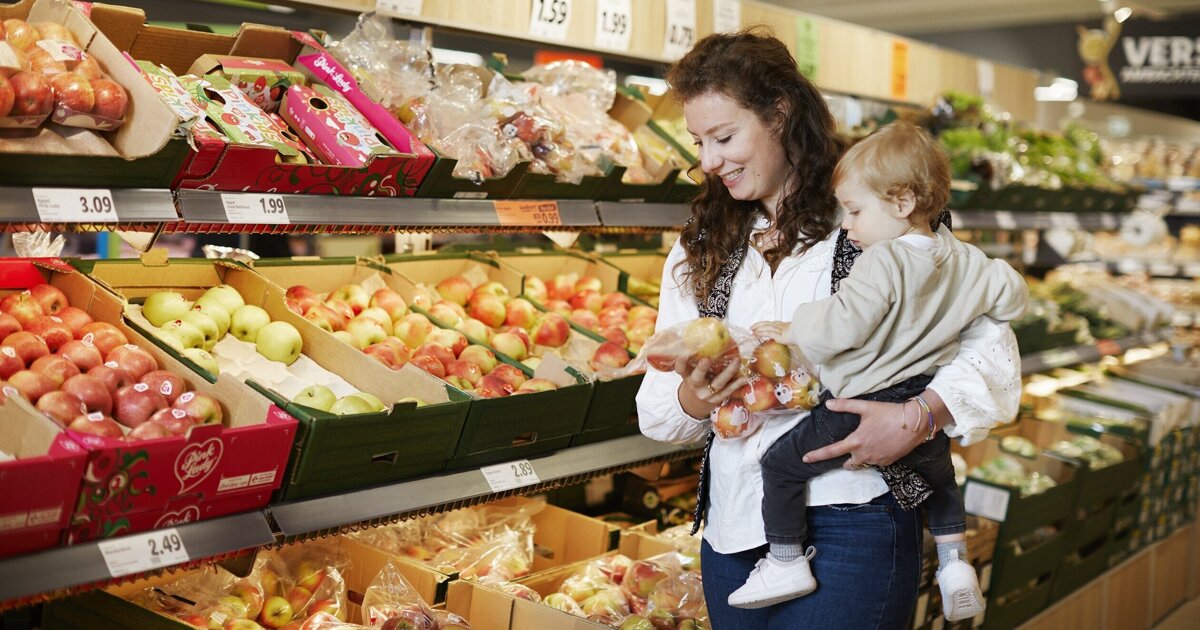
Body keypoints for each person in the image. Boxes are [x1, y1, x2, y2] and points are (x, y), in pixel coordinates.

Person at [636, 30, 1022, 629]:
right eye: (698, 142)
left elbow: (992, 350)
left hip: (856, 513)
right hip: (735, 529)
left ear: (781, 116)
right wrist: (694, 394)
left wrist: (917, 417)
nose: (708, 161)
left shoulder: (876, 220)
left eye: (724, 137)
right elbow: (658, 414)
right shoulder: (702, 247)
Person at [728, 121, 1028, 620]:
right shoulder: (965, 260)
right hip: (920, 403)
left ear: (903, 203)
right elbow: (1013, 296)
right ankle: (955, 563)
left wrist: (792, 327)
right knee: (942, 480)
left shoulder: (881, 263)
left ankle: (784, 560)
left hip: (863, 403)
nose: (847, 225)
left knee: (780, 465)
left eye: (856, 210)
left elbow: (840, 328)